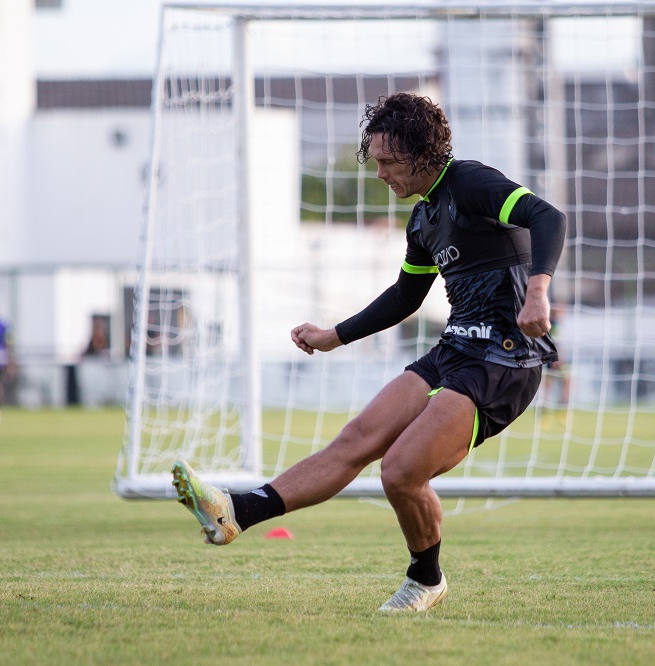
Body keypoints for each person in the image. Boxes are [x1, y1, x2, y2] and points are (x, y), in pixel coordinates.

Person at [172, 92, 566, 612]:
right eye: (375, 160)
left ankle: (426, 580)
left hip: (506, 359)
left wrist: (538, 290)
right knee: (356, 438)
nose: (379, 173)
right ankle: (236, 512)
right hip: (456, 349)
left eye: (388, 161)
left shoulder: (469, 183)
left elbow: (548, 216)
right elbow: (406, 296)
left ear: (423, 153)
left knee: (401, 471)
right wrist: (334, 334)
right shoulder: (423, 220)